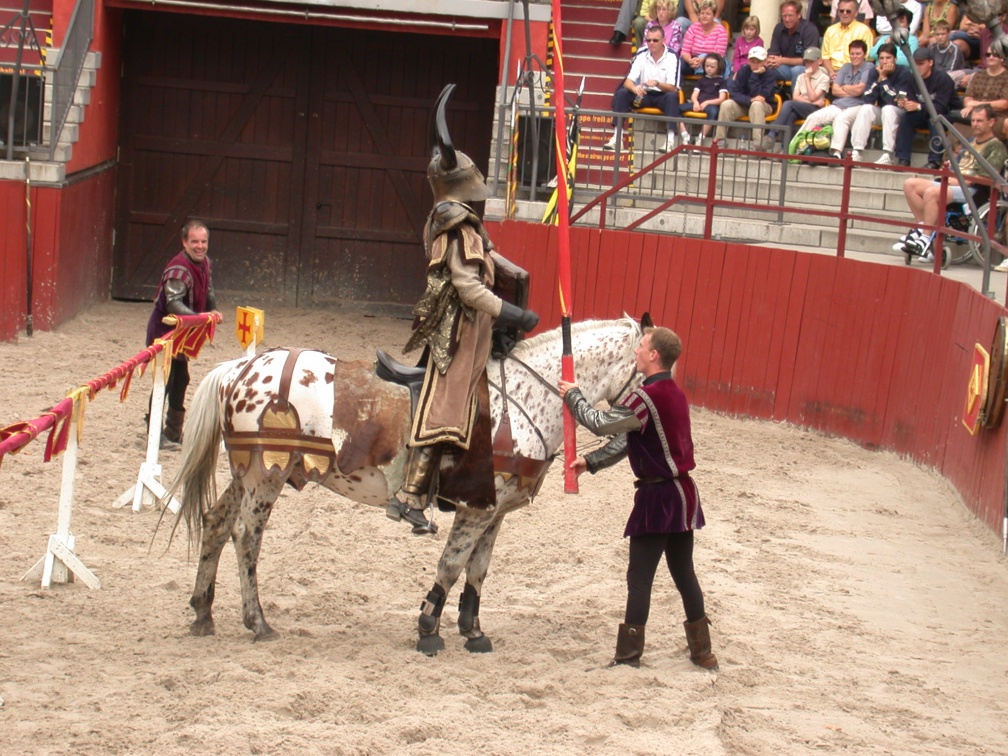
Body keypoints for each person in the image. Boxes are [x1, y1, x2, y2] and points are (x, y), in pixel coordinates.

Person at [386, 85, 539, 534]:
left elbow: (488, 262)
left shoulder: (464, 226)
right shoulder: (455, 226)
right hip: (457, 331)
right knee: (446, 408)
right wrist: (514, 314)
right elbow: (468, 288)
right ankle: (409, 494)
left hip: (473, 331)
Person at [557, 326, 717, 671]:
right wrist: (593, 461)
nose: (637, 351)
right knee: (684, 573)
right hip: (681, 494)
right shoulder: (674, 393)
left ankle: (629, 657)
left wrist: (574, 396)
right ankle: (703, 653)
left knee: (639, 577)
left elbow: (600, 424)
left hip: (658, 499)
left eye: (642, 346)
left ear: (654, 355)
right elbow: (631, 439)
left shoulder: (646, 398)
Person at [896, 104, 1008, 261]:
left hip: (974, 190)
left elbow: (990, 178)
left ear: (991, 122)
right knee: (910, 184)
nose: (975, 124)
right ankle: (922, 229)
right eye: (973, 120)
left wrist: (958, 180)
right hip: (954, 183)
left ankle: (925, 239)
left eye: (980, 121)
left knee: (931, 193)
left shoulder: (996, 146)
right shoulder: (969, 141)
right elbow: (958, 164)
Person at [145, 219, 222, 444]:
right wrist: (198, 318)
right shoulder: (178, 269)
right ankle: (154, 432)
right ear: (184, 243)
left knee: (181, 379)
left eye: (203, 241)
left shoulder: (204, 262)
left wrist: (213, 309)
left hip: (182, 333)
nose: (200, 246)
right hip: (165, 332)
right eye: (195, 242)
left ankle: (173, 430)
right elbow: (173, 303)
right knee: (165, 380)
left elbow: (208, 288)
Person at [604, 25, 683, 152]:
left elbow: (673, 88)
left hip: (663, 95)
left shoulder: (673, 57)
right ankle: (617, 137)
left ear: (664, 40)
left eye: (655, 40)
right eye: (648, 40)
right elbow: (628, 81)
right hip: (643, 95)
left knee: (672, 97)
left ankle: (670, 140)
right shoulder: (641, 54)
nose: (651, 43)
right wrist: (635, 89)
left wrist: (657, 83)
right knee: (622, 93)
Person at [793, 40, 877, 158]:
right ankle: (796, 148)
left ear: (864, 54)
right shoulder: (846, 67)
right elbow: (834, 91)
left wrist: (844, 87)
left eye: (858, 54)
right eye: (852, 53)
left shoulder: (869, 67)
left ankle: (835, 153)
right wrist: (851, 90)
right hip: (838, 105)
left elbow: (860, 90)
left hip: (857, 106)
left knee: (841, 119)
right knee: (813, 117)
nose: (854, 57)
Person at [894, 46, 960, 169]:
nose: (917, 67)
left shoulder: (943, 79)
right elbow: (909, 97)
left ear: (930, 62)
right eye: (915, 64)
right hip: (923, 113)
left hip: (946, 114)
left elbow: (941, 106)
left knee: (935, 120)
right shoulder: (911, 78)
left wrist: (918, 106)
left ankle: (934, 161)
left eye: (921, 64)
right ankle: (903, 158)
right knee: (907, 118)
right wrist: (905, 103)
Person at [847, 43, 914, 164]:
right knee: (866, 108)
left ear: (895, 59)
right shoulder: (874, 72)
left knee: (888, 109)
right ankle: (857, 151)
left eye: (888, 58)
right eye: (881, 58)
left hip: (901, 111)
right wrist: (879, 78)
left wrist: (883, 78)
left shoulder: (904, 73)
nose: (884, 61)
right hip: (883, 111)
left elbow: (895, 100)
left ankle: (888, 154)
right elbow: (868, 98)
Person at [763, 47, 831, 150]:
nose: (808, 65)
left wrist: (807, 78)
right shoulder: (800, 76)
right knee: (790, 115)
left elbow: (813, 97)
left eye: (811, 62)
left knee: (788, 104)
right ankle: (785, 149)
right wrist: (812, 102)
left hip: (815, 110)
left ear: (819, 61)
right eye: (806, 62)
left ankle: (772, 134)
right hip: (805, 106)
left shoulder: (824, 78)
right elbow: (795, 97)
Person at [714, 46, 777, 146]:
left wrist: (754, 76)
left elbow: (762, 95)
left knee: (757, 104)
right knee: (727, 104)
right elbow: (734, 93)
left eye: (759, 61)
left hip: (765, 105)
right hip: (745, 103)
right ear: (748, 61)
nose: (755, 64)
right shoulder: (743, 71)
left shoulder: (770, 74)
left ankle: (758, 143)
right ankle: (720, 139)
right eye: (753, 61)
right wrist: (750, 100)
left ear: (765, 61)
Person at [956, 43, 1008, 139]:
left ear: (1002, 58)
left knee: (981, 124)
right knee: (957, 123)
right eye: (988, 55)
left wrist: (975, 105)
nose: (991, 57)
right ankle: (956, 152)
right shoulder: (978, 75)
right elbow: (968, 97)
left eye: (995, 55)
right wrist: (969, 105)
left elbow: (1003, 104)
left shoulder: (1006, 77)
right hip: (974, 114)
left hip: (996, 116)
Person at [767, 0, 822, 91]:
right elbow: (773, 54)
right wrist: (770, 60)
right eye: (784, 16)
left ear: (799, 15)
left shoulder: (810, 29)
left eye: (790, 15)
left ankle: (795, 102)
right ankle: (769, 100)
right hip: (784, 67)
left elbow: (808, 61)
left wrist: (781, 60)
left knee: (797, 70)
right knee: (764, 66)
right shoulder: (779, 28)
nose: (787, 19)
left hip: (806, 68)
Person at [821, 0, 876, 81]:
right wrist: (830, 72)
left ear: (856, 13)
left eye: (848, 11)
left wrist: (846, 73)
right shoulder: (830, 30)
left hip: (854, 71)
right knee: (807, 75)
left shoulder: (864, 30)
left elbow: (867, 58)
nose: (844, 13)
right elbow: (825, 57)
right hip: (831, 70)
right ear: (838, 12)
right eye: (841, 11)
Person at [686, 52, 729, 144]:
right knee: (677, 108)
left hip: (711, 105)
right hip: (698, 104)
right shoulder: (701, 80)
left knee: (714, 112)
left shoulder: (721, 81)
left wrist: (707, 103)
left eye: (712, 67)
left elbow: (721, 99)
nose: (709, 69)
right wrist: (696, 102)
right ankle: (685, 135)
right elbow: (694, 95)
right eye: (707, 66)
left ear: (719, 67)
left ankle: (700, 138)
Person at [680, 0, 730, 74]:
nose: (704, 16)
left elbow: (719, 54)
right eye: (702, 13)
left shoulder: (720, 30)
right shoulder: (693, 28)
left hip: (712, 60)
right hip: (694, 60)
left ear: (713, 15)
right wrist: (690, 61)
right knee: (680, 63)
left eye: (708, 14)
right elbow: (685, 51)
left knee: (712, 64)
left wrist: (702, 60)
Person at [928, 20, 968, 88]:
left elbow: (950, 70)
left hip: (951, 77)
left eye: (943, 34)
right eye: (937, 34)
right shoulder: (931, 47)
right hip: (934, 77)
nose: (940, 37)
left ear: (948, 34)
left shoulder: (954, 49)